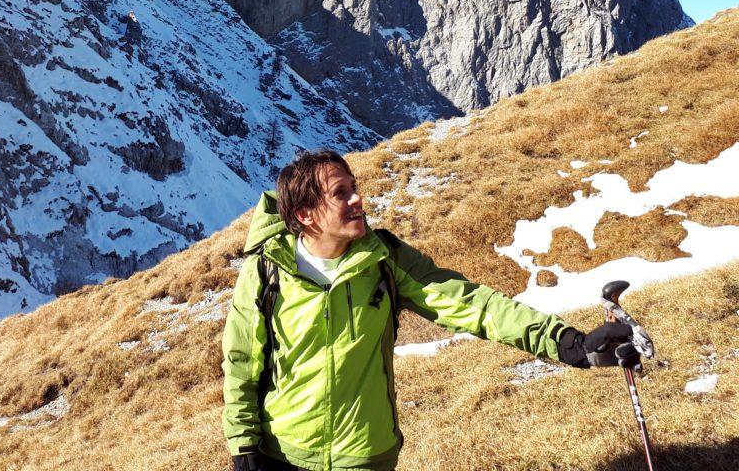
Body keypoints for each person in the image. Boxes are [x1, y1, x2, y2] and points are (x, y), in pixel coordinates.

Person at [222, 149, 638, 471]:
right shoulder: (266, 271)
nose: (358, 199)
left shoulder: (384, 259)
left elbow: (474, 305)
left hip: (365, 454)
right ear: (304, 215)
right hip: (284, 453)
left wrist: (568, 343)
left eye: (354, 186)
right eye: (340, 193)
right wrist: (244, 447)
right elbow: (242, 363)